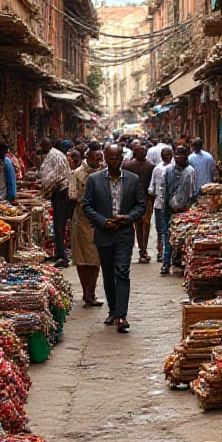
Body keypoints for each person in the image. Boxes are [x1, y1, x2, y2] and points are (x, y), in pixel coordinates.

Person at [82, 145, 146, 333]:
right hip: (104, 233)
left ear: (122, 158)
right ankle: (112, 310)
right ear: (105, 159)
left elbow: (141, 205)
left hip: (124, 232)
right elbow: (87, 206)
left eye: (117, 158)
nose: (113, 161)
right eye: (110, 158)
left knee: (122, 271)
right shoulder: (94, 180)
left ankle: (122, 316)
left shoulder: (133, 180)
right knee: (108, 273)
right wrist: (103, 222)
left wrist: (127, 218)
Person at [68, 141, 104, 307]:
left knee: (95, 259)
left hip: (98, 221)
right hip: (82, 221)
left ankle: (92, 291)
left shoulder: (104, 173)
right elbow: (72, 195)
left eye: (101, 158)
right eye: (97, 158)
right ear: (88, 157)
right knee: (82, 258)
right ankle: (85, 292)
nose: (99, 161)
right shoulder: (77, 174)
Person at [160, 146, 196, 276]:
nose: (180, 158)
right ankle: (166, 264)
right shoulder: (168, 170)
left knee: (183, 238)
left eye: (183, 156)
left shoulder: (190, 171)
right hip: (169, 209)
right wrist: (165, 208)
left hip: (185, 210)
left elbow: (192, 191)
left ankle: (179, 262)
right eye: (178, 156)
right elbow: (164, 190)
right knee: (167, 237)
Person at [40, 139, 71, 268]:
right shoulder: (54, 155)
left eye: (42, 145)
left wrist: (45, 189)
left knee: (59, 225)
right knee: (58, 224)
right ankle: (59, 253)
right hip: (59, 191)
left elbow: (55, 176)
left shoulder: (54, 155)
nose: (41, 148)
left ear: (48, 145)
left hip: (62, 192)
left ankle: (63, 257)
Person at [123, 140, 155, 263]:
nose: (141, 153)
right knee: (137, 224)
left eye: (142, 151)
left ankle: (143, 249)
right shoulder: (128, 166)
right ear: (134, 153)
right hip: (134, 199)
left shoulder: (151, 166)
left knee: (145, 224)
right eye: (138, 151)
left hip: (146, 198)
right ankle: (139, 249)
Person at [148, 146, 174, 263]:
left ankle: (171, 254)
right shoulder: (157, 169)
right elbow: (152, 187)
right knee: (160, 230)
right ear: (161, 156)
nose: (167, 157)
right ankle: (160, 252)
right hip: (159, 205)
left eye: (169, 155)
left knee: (171, 230)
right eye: (165, 155)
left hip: (173, 205)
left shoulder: (176, 168)